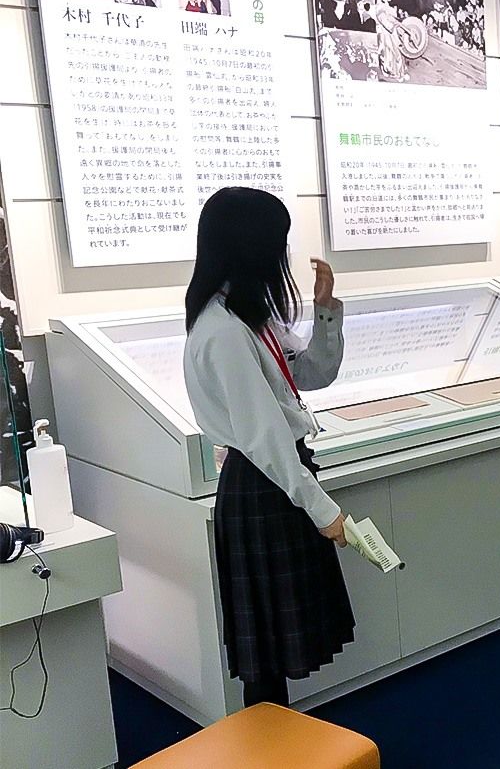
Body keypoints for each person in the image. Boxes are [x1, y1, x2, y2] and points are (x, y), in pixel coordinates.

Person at [183, 187, 355, 709]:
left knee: (274, 638)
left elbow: (312, 373)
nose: (283, 255)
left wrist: (325, 313)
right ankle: (270, 748)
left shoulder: (248, 316)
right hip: (262, 483)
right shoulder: (223, 329)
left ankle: (278, 744)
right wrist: (322, 508)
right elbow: (263, 436)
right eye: (277, 242)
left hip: (274, 480)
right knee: (266, 647)